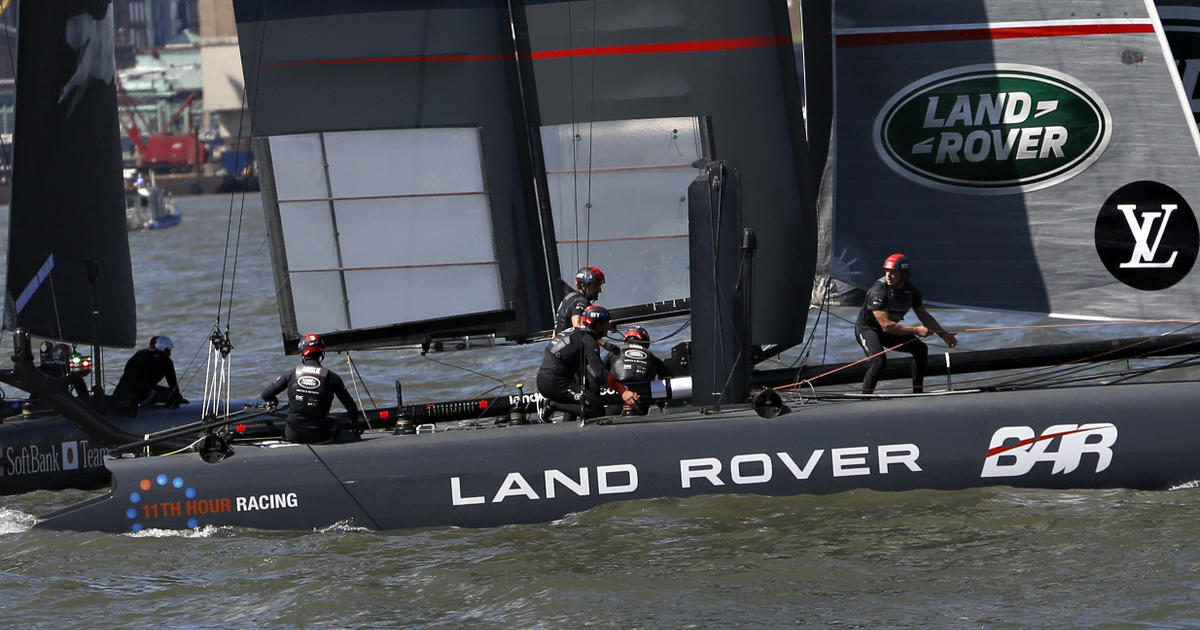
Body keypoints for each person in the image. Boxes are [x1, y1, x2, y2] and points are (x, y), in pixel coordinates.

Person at [854, 253, 958, 394]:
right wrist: (916, 330)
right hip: (868, 329)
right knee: (879, 360)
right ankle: (865, 398)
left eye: (893, 272)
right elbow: (886, 325)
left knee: (920, 349)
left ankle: (917, 393)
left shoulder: (912, 292)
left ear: (904, 274)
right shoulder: (879, 292)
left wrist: (943, 334)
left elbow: (923, 315)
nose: (888, 275)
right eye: (886, 271)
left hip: (889, 332)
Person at [537, 305, 638, 423]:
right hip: (555, 383)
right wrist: (623, 391)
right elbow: (600, 372)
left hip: (549, 380)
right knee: (596, 410)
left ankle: (562, 418)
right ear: (598, 325)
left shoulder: (579, 333)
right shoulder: (588, 340)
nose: (609, 327)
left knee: (591, 394)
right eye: (606, 323)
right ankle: (551, 405)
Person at [261, 333, 362, 444]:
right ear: (322, 353)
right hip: (321, 435)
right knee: (334, 421)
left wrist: (274, 400)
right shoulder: (332, 377)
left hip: (293, 434)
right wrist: (355, 423)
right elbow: (351, 407)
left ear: (302, 354)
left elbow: (265, 394)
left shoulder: (291, 374)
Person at [110, 335, 186, 414]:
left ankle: (121, 400)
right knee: (172, 395)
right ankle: (132, 401)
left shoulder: (139, 354)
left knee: (134, 388)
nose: (170, 354)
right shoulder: (166, 361)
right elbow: (173, 385)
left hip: (122, 390)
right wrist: (178, 398)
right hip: (143, 394)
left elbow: (127, 370)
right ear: (164, 349)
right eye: (169, 350)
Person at [605, 326, 668, 415]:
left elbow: (600, 372)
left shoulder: (614, 352)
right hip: (643, 396)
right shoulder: (650, 354)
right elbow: (667, 373)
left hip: (617, 396)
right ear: (645, 341)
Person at [554, 266, 606, 342]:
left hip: (559, 347)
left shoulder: (570, 297)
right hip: (571, 348)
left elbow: (555, 332)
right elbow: (578, 328)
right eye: (596, 286)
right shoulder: (580, 302)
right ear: (583, 285)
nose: (599, 290)